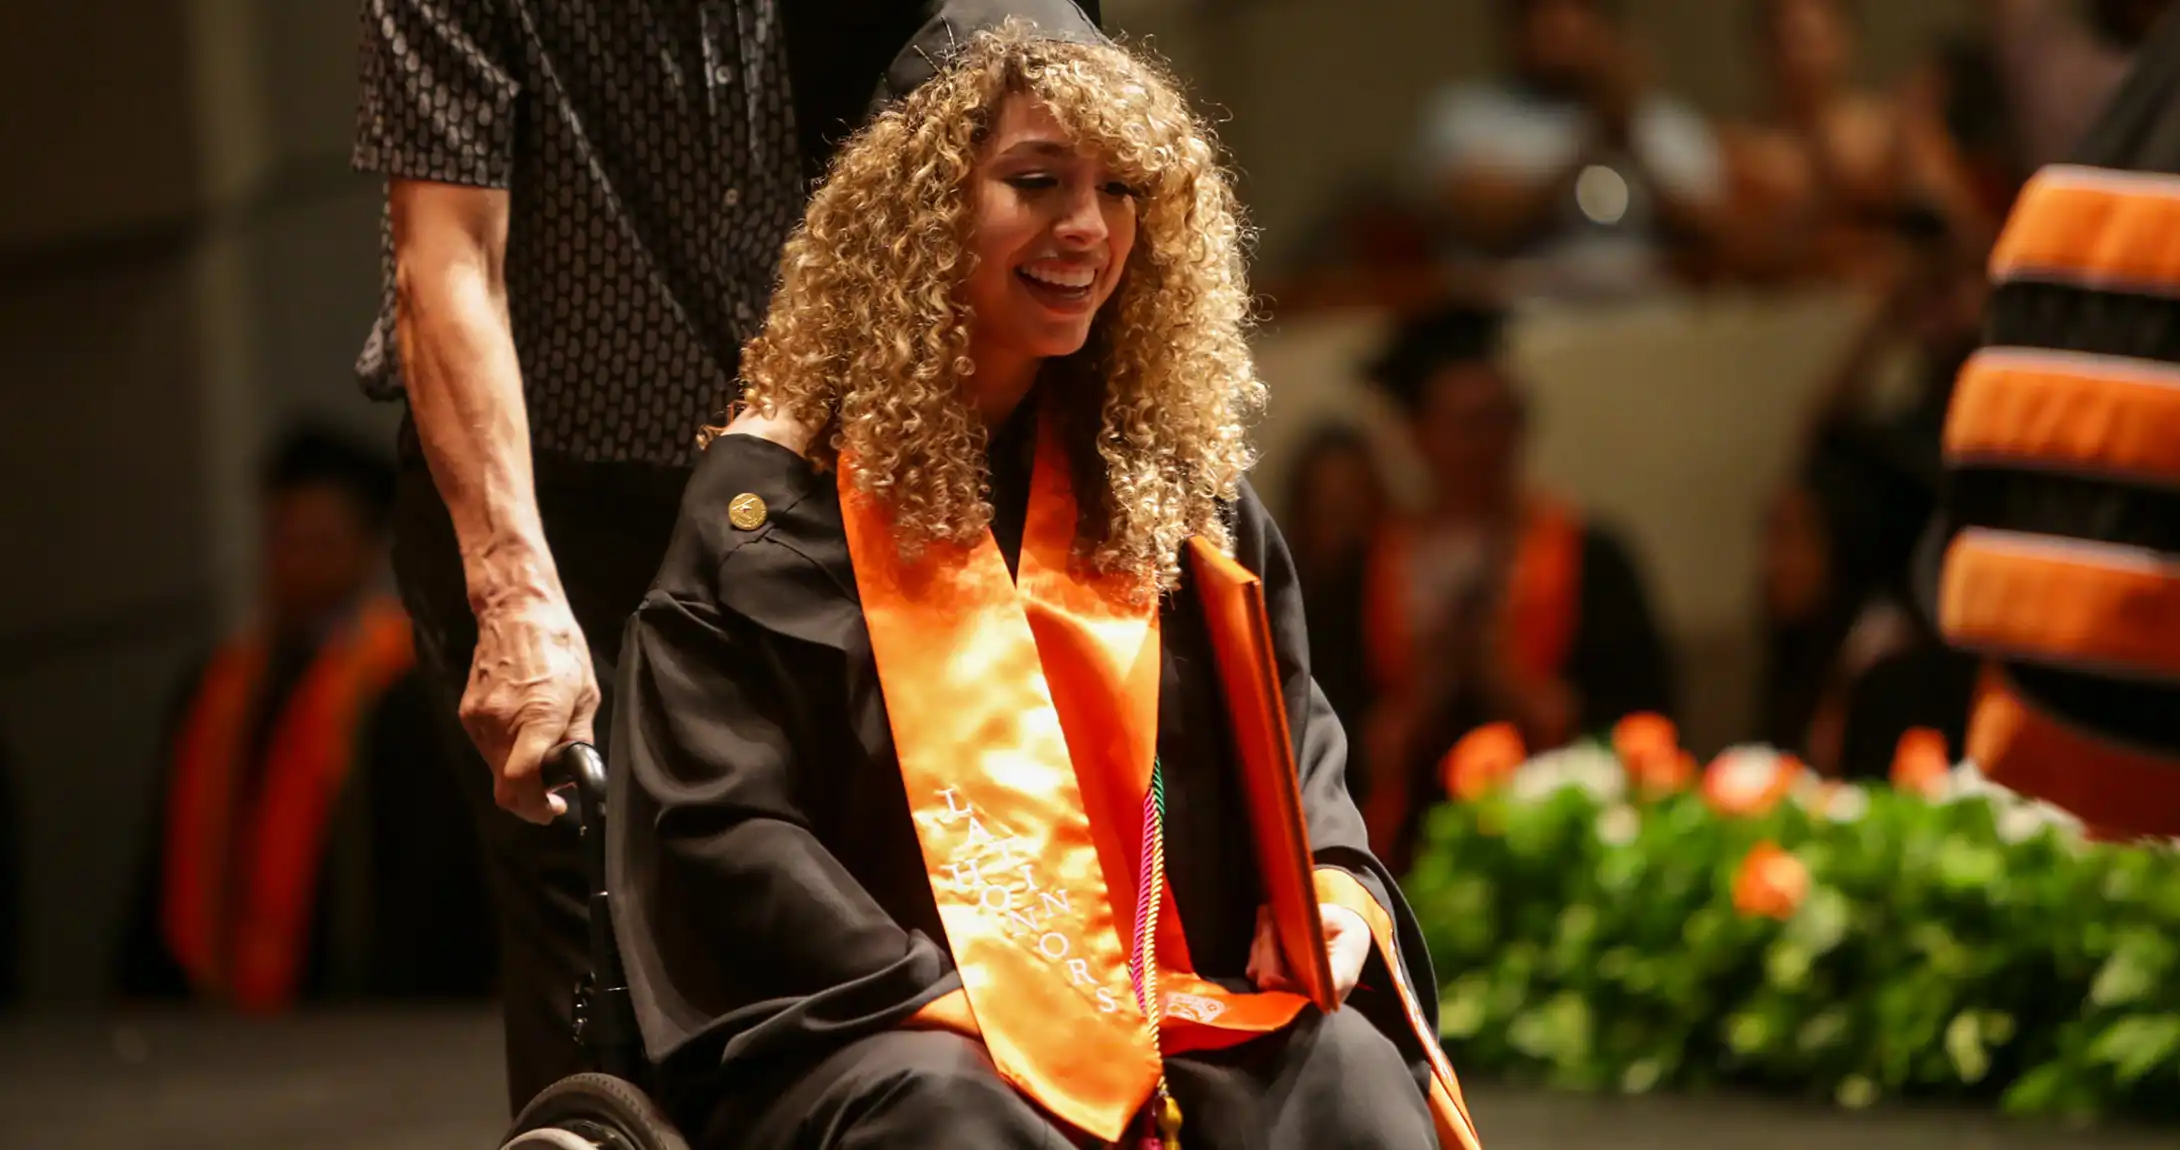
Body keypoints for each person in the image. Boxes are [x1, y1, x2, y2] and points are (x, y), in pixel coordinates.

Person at [610, 25, 1480, 1150]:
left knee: (1341, 1076)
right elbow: (723, 827)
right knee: (959, 1115)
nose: (1085, 229)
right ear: (917, 211)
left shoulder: (1168, 496)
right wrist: (953, 994)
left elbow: (1292, 731)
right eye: (1035, 182)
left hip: (1158, 1005)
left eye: (1116, 188)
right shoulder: (781, 513)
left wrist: (1326, 878)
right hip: (891, 1023)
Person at [351, 0, 1104, 1109]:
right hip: (560, 498)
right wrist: (515, 595)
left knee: (867, 908)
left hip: (805, 489)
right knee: (592, 929)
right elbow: (446, 257)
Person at [114, 427, 494, 1009]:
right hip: (215, 1008)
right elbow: (164, 865)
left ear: (369, 551)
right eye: (282, 540)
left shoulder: (407, 693)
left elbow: (430, 886)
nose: (295, 564)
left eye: (320, 543)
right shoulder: (217, 685)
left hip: (358, 1011)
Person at [1350, 304, 1674, 872]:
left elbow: (1646, 716)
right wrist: (1422, 692)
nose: (1491, 445)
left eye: (1506, 419)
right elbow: (1332, 732)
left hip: (1564, 844)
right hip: (1408, 853)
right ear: (1417, 435)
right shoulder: (1365, 570)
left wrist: (1513, 684)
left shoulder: (1589, 554)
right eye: (1469, 426)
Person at [1412, 0, 1730, 296]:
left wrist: (1632, 146)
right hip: (1524, 324)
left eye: (1577, 11)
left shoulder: (1665, 123)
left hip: (1652, 325)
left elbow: (1713, 237)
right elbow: (1483, 221)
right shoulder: (1467, 116)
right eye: (1543, 13)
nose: (1560, 28)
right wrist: (1591, 146)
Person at [1282, 425, 1394, 753]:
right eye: (1327, 507)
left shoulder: (1391, 589)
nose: (1341, 522)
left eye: (1352, 503)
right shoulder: (1285, 602)